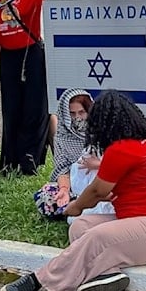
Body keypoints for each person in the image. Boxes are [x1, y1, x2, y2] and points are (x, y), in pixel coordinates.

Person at [0, 90, 146, 291]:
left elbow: (97, 191)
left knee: (96, 236)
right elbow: (114, 191)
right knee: (80, 227)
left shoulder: (121, 150)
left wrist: (75, 206)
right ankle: (108, 274)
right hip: (143, 220)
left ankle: (38, 281)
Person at [0, 0, 68, 176]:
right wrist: (0, 65)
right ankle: (9, 162)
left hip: (32, 55)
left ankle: (29, 162)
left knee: (35, 110)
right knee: (11, 111)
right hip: (9, 60)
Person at [33, 88, 104, 219]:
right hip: (74, 185)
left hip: (102, 181)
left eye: (81, 112)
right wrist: (64, 190)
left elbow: (119, 161)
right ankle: (76, 204)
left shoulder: (102, 130)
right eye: (72, 114)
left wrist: (98, 165)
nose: (77, 117)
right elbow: (62, 168)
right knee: (45, 197)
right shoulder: (62, 137)